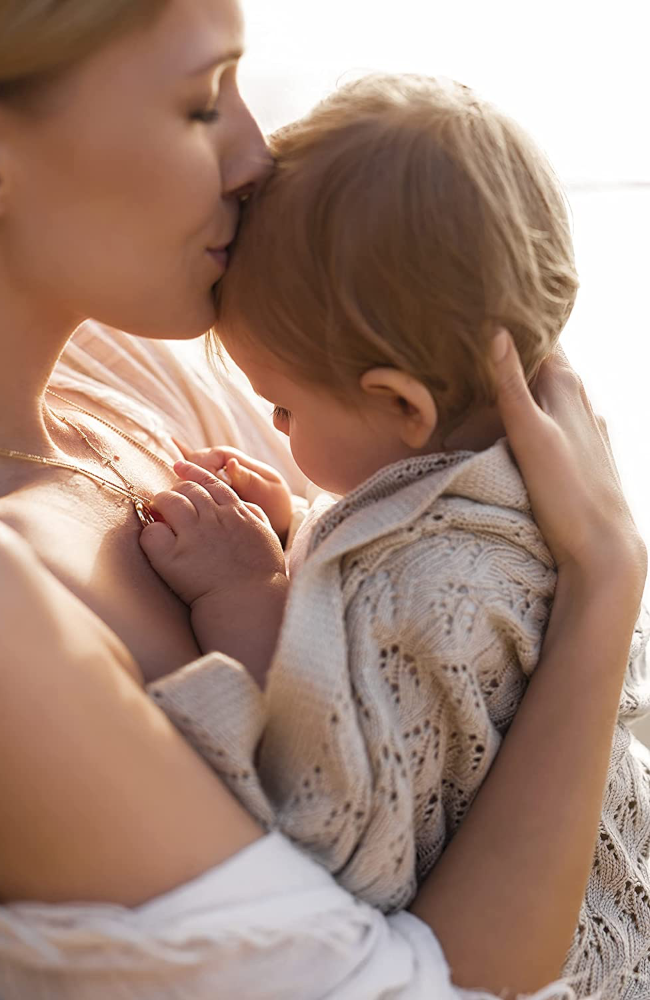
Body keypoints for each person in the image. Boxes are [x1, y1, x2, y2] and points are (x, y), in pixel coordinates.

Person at [0, 1, 645, 997]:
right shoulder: (18, 620)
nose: (257, 154)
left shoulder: (141, 357)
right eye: (200, 101)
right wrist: (604, 584)